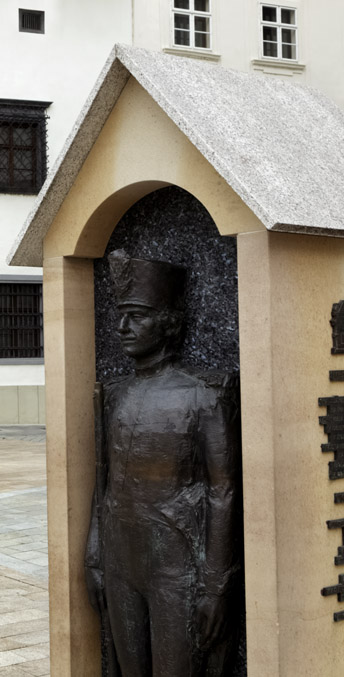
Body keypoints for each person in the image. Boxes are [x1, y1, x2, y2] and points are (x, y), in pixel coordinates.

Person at [85, 250, 242, 676]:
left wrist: (216, 586)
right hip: (120, 558)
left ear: (169, 323)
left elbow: (223, 491)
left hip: (178, 564)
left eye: (136, 316)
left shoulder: (205, 394)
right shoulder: (114, 394)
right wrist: (94, 555)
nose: (122, 327)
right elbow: (103, 479)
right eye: (120, 315)